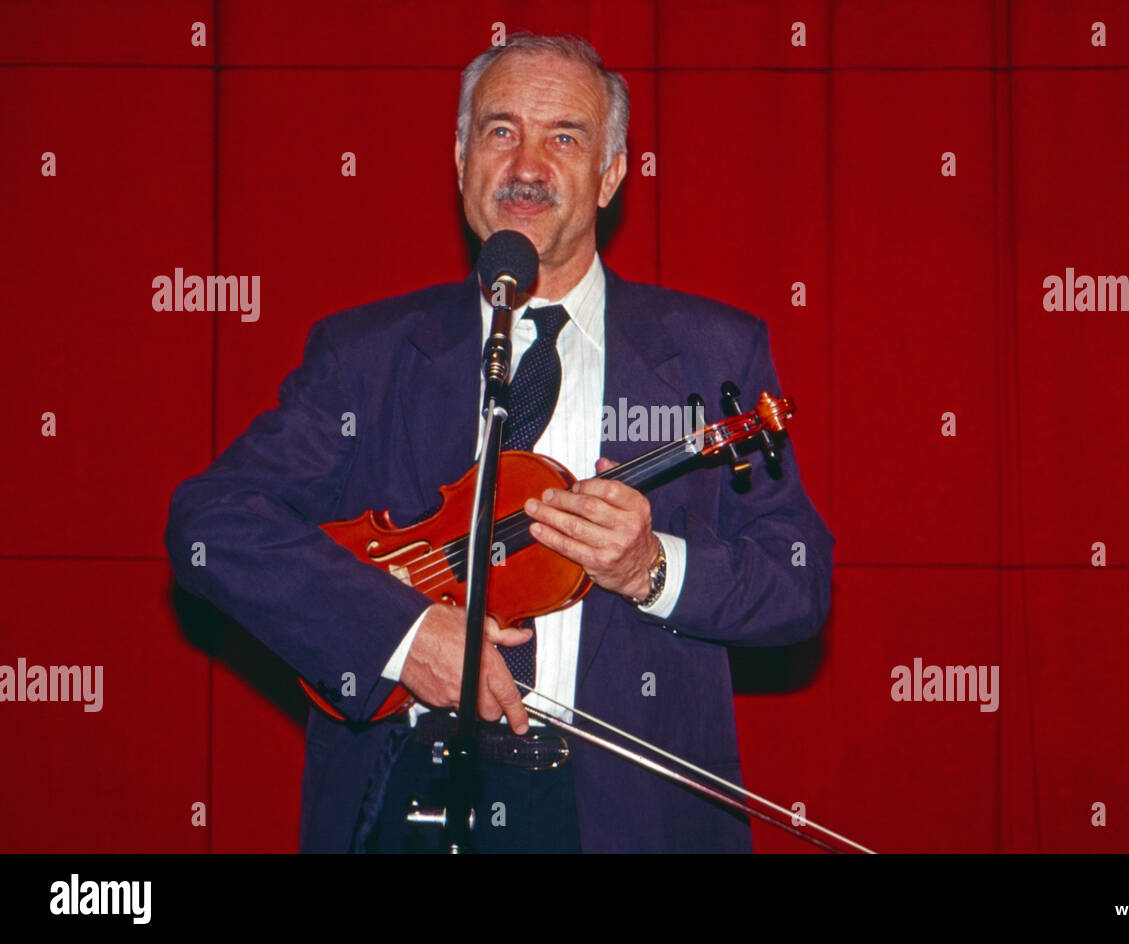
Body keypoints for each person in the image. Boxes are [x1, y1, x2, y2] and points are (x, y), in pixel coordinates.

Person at [165, 31, 833, 853]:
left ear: (612, 174)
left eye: (565, 137)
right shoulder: (364, 355)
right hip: (405, 800)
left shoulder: (712, 352)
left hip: (625, 821)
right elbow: (211, 523)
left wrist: (650, 567)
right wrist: (404, 637)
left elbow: (799, 583)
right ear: (459, 158)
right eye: (500, 130)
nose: (527, 165)